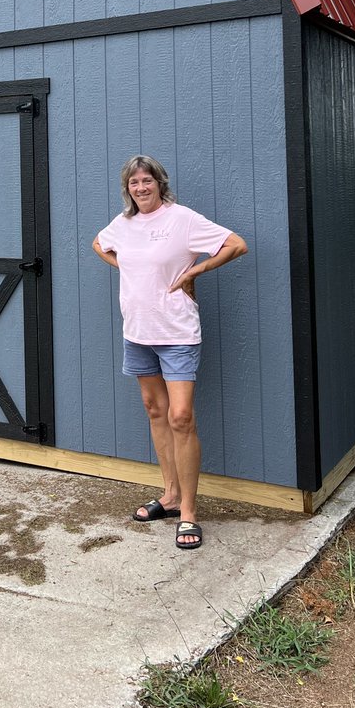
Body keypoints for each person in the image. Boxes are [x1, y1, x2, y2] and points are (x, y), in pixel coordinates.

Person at [92, 155, 247, 551]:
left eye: (147, 181)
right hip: (137, 330)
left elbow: (236, 245)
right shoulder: (123, 224)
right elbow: (99, 243)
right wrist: (126, 269)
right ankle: (170, 495)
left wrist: (193, 272)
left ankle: (190, 512)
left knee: (181, 417)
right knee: (155, 410)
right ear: (127, 189)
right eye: (133, 183)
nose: (140, 188)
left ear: (160, 184)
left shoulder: (182, 219)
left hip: (177, 332)